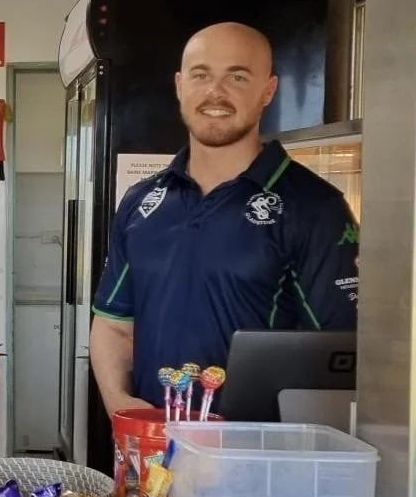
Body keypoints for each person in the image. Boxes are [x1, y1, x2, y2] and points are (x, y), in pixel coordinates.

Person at [89, 21, 359, 419]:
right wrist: (119, 406)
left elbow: (341, 355)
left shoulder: (315, 208)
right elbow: (114, 324)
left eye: (237, 76)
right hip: (149, 452)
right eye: (201, 75)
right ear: (180, 86)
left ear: (268, 90)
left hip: (254, 462)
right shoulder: (142, 200)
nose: (215, 92)